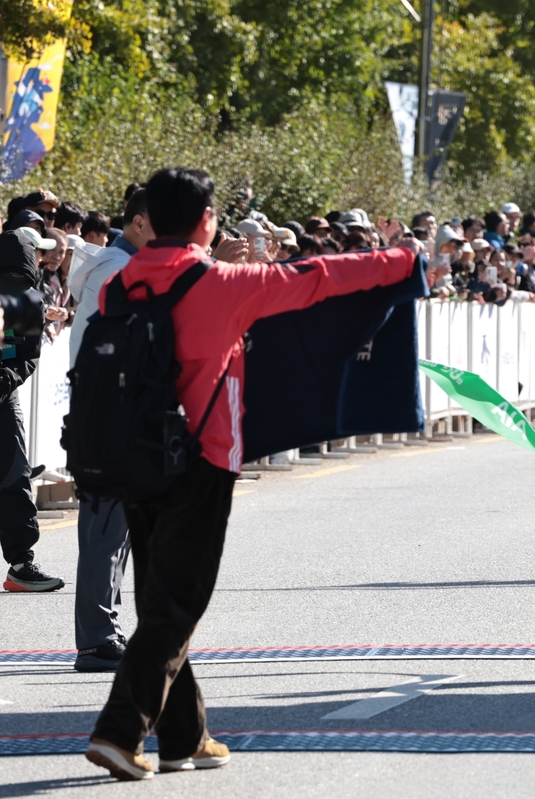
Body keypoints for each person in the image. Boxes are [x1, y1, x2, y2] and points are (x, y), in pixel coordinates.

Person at [83, 168, 417, 781]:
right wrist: (397, 260)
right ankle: (118, 731)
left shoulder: (119, 284)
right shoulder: (221, 283)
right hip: (201, 459)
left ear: (149, 219)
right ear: (207, 221)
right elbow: (318, 279)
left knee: (163, 597)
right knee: (177, 604)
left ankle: (185, 736)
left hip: (131, 459)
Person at [65, 189, 155, 671]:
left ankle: (104, 631)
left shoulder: (122, 268)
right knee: (106, 530)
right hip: (109, 417)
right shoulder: (119, 272)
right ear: (138, 224)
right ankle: (98, 638)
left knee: (115, 532)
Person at [0, 231, 61, 592]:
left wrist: (4, 379)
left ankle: (22, 564)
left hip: (3, 398)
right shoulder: (26, 296)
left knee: (13, 476)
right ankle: (22, 564)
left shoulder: (27, 300)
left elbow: (26, 357)